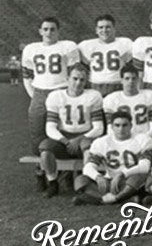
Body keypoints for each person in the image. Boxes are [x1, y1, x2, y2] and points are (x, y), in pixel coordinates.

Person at [21, 17, 80, 167]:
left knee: (64, 129)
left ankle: (65, 171)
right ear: (40, 31)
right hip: (39, 92)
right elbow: (27, 76)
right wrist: (34, 96)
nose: (49, 32)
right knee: (37, 132)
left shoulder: (68, 46)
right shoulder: (30, 49)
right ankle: (41, 171)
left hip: (61, 91)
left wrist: (70, 94)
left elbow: (75, 74)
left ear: (58, 31)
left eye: (52, 29)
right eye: (45, 29)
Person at [39, 66, 104, 198]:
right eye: (75, 79)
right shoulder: (56, 96)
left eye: (82, 80)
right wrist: (65, 141)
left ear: (86, 82)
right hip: (63, 137)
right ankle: (53, 182)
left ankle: (85, 184)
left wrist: (78, 139)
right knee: (45, 149)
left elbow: (99, 127)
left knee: (88, 149)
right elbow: (50, 127)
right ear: (67, 79)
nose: (78, 83)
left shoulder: (93, 96)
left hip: (86, 135)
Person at [73, 111, 152, 205]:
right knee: (80, 180)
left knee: (140, 177)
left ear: (131, 126)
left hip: (129, 181)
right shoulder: (102, 142)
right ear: (111, 127)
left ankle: (104, 200)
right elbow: (88, 167)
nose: (121, 129)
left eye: (125, 125)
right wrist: (98, 177)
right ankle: (122, 200)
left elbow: (145, 167)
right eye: (117, 125)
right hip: (110, 181)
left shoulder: (143, 140)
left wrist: (122, 174)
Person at [78, 14, 133, 97]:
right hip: (95, 85)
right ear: (96, 30)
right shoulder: (86, 45)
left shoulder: (125, 43)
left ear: (114, 29)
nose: (104, 30)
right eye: (101, 27)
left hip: (118, 84)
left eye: (108, 27)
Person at [102, 64, 152, 139]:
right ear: (121, 80)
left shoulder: (150, 96)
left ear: (138, 80)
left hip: (145, 138)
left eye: (134, 78)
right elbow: (110, 130)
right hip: (121, 140)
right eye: (127, 78)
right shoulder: (111, 99)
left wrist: (142, 140)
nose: (131, 81)